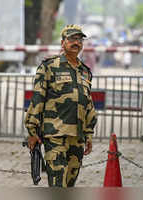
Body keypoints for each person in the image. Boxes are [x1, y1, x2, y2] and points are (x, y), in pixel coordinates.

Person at [24, 24, 97, 187]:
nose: (76, 42)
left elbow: (88, 104)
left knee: (69, 184)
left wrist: (89, 133)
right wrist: (32, 130)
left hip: (77, 138)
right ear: (63, 42)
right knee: (58, 183)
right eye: (72, 38)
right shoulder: (49, 67)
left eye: (79, 39)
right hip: (54, 135)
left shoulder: (85, 72)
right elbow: (37, 100)